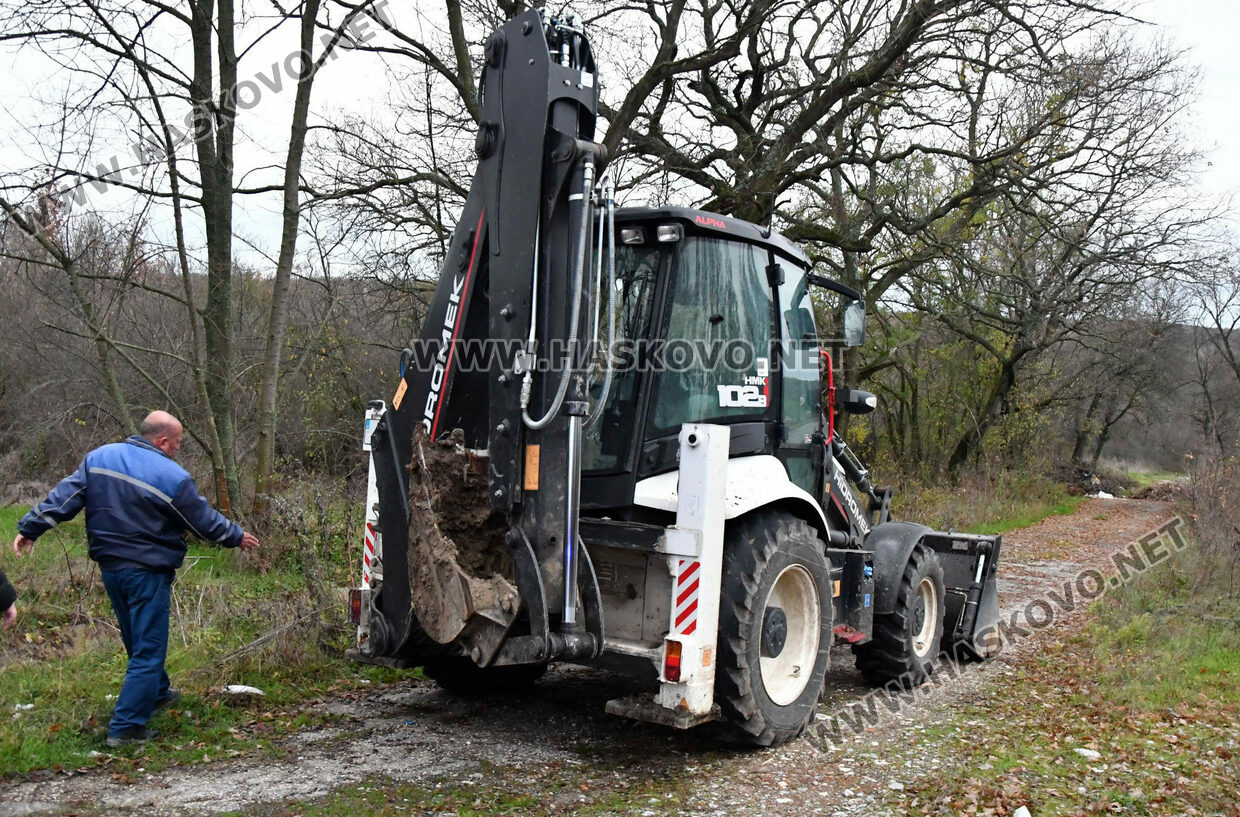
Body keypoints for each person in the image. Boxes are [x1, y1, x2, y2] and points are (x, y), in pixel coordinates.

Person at [11, 411, 259, 747]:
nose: (177, 450)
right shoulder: (172, 477)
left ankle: (156, 693)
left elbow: (64, 498)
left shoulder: (99, 458)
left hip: (111, 568)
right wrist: (235, 536)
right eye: (177, 444)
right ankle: (126, 727)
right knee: (149, 648)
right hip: (147, 570)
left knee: (135, 636)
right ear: (163, 441)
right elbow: (201, 519)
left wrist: (31, 527)